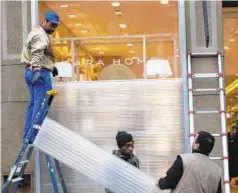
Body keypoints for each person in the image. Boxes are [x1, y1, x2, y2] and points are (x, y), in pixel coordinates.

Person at [21, 11, 60, 143]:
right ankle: (34, 135)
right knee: (41, 105)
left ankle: (28, 134)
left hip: (31, 72)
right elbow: (37, 53)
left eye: (55, 26)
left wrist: (51, 66)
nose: (53, 28)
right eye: (51, 25)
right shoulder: (41, 35)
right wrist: (38, 70)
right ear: (44, 21)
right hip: (39, 73)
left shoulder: (36, 32)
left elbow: (38, 54)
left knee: (33, 105)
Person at [158, 131, 222, 193]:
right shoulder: (217, 170)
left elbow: (168, 183)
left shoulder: (184, 160)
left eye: (194, 141)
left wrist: (158, 182)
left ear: (197, 145)